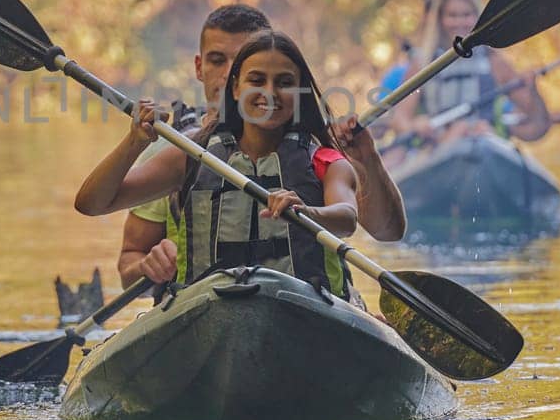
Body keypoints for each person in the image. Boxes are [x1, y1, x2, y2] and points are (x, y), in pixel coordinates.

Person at [115, 10, 406, 293]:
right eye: (218, 60)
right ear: (200, 68)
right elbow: (129, 262)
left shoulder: (320, 153)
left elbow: (387, 233)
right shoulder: (174, 150)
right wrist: (145, 266)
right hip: (206, 308)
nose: (229, 71)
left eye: (242, 56)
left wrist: (368, 159)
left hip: (305, 309)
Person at [77, 30, 361, 300]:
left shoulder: (325, 161)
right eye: (257, 80)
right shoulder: (193, 156)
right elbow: (92, 204)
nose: (270, 92)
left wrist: (307, 212)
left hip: (300, 306)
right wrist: (135, 142)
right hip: (208, 306)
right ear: (236, 88)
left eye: (285, 83)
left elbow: (347, 217)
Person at [399, 0, 550, 148]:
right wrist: (416, 125)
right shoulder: (423, 63)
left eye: (467, 15)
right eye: (452, 15)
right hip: (438, 146)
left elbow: (537, 126)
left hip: (483, 140)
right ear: (440, 21)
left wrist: (533, 90)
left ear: (477, 17)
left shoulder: (494, 61)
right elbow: (400, 119)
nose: (460, 22)